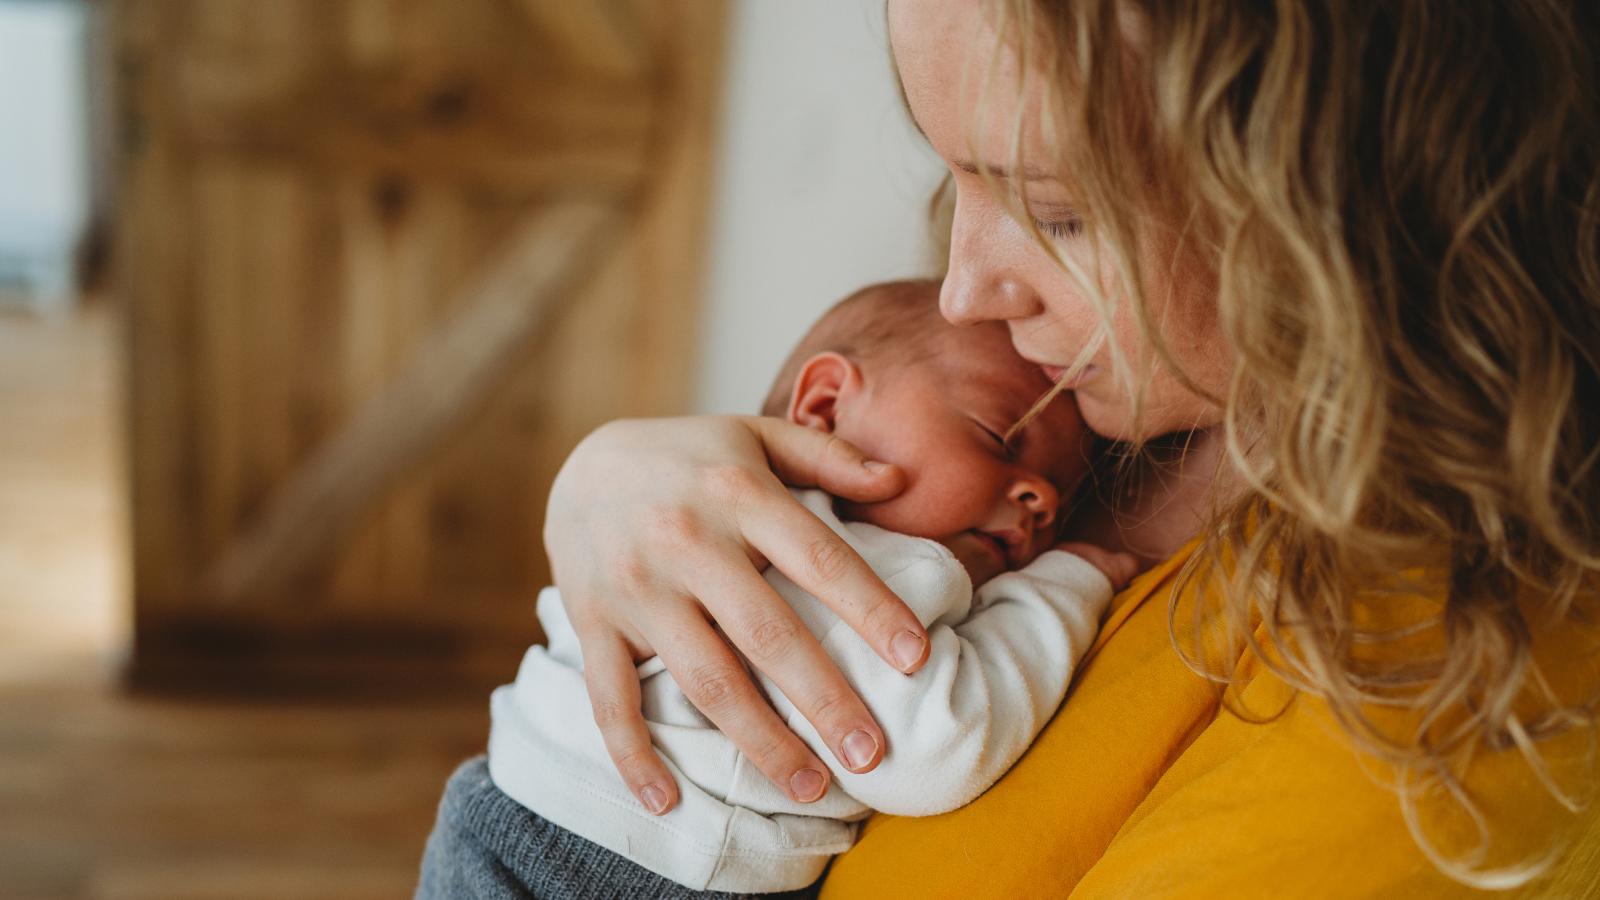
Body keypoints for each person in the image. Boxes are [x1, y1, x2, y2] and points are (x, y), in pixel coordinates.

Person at [528, 0, 1600, 896]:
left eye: (1058, 212)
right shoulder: (1088, 416)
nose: (964, 288)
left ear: (1330, 196)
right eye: (959, 177)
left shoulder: (1449, 672)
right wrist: (616, 482)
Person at [417, 281, 1135, 897]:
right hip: (622, 864)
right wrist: (1067, 580)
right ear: (824, 408)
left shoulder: (698, 508)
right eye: (996, 436)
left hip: (508, 805)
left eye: (1062, 498)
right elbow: (939, 750)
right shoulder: (874, 566)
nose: (1038, 495)